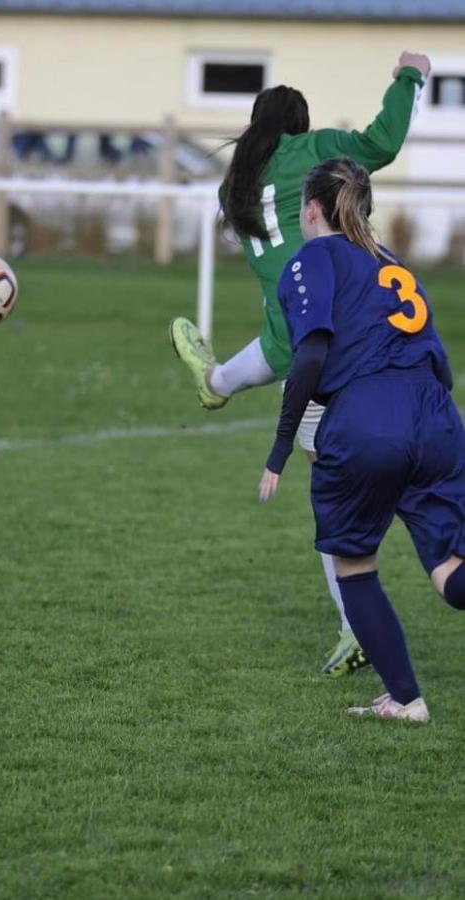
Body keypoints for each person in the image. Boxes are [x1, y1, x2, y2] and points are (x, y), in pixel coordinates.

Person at [170, 50, 430, 677]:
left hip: (292, 329)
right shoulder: (312, 152)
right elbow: (382, 142)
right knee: (335, 480)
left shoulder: (235, 182)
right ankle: (355, 625)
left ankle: (212, 382)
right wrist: (410, 76)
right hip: (329, 333)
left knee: (285, 389)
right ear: (300, 123)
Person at [258, 156, 465, 722]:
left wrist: (279, 450)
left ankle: (406, 699)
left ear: (313, 208)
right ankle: (402, 699)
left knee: (355, 566)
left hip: (368, 416)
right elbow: (442, 365)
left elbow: (312, 354)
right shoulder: (393, 262)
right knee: (451, 573)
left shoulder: (311, 258)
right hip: (436, 411)